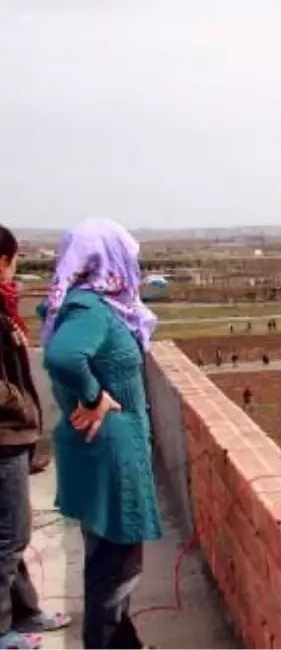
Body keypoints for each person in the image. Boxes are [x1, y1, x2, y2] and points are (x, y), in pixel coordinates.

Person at [41, 218, 161, 650]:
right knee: (115, 568)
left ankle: (123, 642)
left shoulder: (79, 304)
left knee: (109, 561)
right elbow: (64, 357)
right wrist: (95, 397)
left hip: (99, 451)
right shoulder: (90, 308)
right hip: (110, 455)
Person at [0, 225, 71, 650]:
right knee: (10, 536)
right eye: (14, 261)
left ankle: (25, 612)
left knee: (11, 532)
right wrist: (22, 407)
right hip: (3, 438)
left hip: (10, 437)